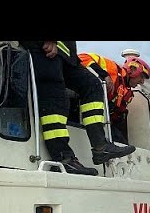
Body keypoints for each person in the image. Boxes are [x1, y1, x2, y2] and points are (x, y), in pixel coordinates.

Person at [19, 41, 135, 175]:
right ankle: (64, 158)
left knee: (92, 85)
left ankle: (101, 147)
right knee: (56, 101)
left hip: (66, 55)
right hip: (44, 50)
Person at [78, 52, 150, 144]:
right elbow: (83, 57)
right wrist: (104, 75)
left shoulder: (127, 93)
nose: (142, 82)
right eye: (142, 77)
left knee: (123, 144)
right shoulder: (112, 68)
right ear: (132, 69)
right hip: (87, 121)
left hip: (106, 126)